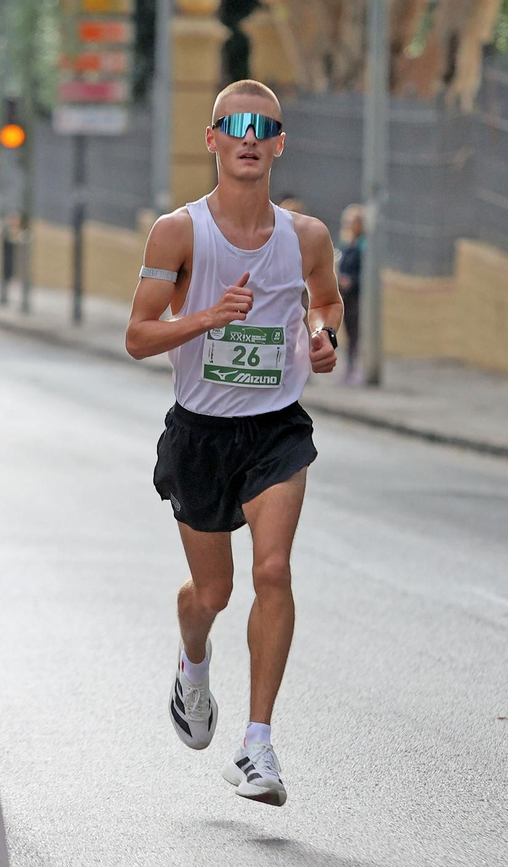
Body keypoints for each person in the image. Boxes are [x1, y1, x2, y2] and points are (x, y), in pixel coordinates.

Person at [125, 79, 343, 808]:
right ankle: (192, 664)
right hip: (200, 433)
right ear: (212, 139)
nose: (250, 137)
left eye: (265, 126)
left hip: (276, 429)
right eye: (235, 125)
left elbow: (326, 300)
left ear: (279, 144)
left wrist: (322, 336)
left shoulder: (306, 237)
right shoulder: (178, 233)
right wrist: (208, 316)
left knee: (273, 571)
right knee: (213, 590)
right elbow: (137, 336)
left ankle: (257, 746)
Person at [336, 204, 365, 380]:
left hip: (358, 294)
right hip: (346, 294)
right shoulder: (346, 244)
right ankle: (349, 367)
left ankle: (355, 368)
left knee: (356, 332)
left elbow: (365, 272)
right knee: (348, 331)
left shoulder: (364, 245)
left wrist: (352, 280)